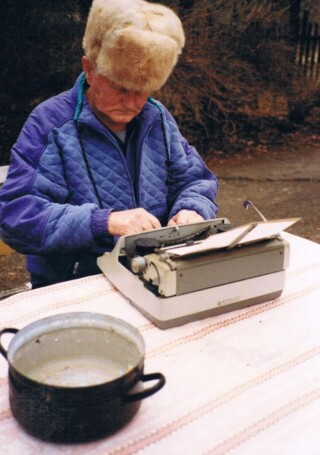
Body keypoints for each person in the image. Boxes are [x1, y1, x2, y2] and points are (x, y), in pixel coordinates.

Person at [0, 0, 218, 288]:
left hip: (152, 273)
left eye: (143, 90)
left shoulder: (157, 118)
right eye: (121, 88)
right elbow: (17, 217)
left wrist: (192, 209)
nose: (133, 103)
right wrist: (104, 222)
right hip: (75, 283)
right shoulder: (50, 125)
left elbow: (195, 180)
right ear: (89, 69)